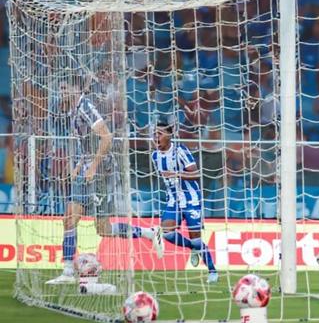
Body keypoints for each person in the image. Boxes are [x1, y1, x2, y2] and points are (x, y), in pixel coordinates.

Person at [47, 82, 162, 285]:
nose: (62, 92)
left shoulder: (86, 107)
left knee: (103, 229)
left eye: (66, 87)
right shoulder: (72, 111)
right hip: (87, 170)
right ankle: (66, 271)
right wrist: (81, 164)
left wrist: (93, 166)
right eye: (61, 88)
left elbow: (106, 137)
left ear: (77, 88)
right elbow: (88, 143)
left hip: (102, 173)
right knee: (69, 217)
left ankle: (148, 232)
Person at [151, 121, 218, 284]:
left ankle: (212, 271)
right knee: (167, 232)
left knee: (196, 237)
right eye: (155, 133)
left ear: (169, 135)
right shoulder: (155, 156)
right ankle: (193, 248)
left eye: (159, 133)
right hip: (173, 200)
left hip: (191, 199)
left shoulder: (180, 150)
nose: (156, 137)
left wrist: (176, 174)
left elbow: (196, 174)